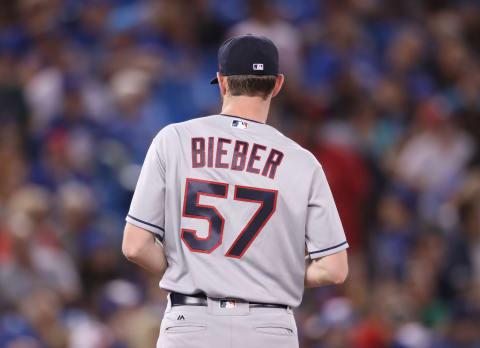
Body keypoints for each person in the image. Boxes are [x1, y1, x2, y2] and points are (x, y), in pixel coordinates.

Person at [122, 34, 349, 348]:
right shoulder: (302, 161)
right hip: (268, 327)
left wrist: (194, 271)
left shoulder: (174, 139)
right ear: (278, 84)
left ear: (222, 81)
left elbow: (135, 246)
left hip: (192, 322)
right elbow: (334, 269)